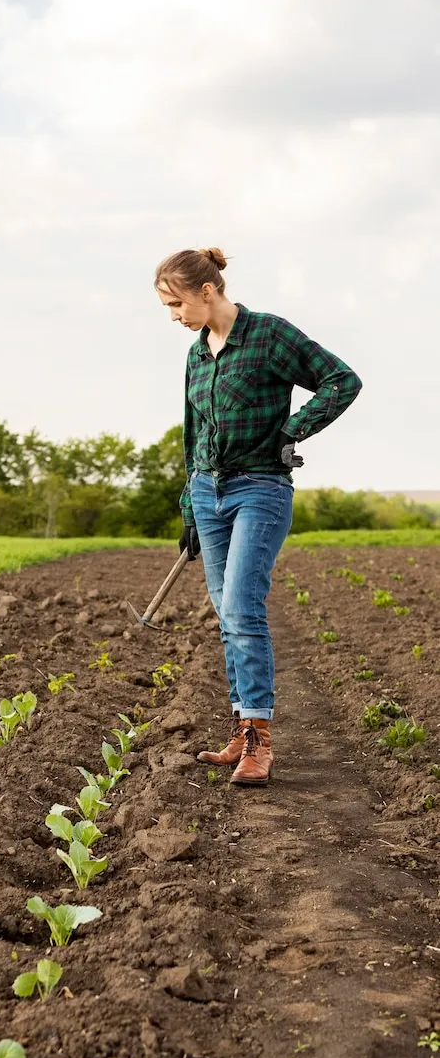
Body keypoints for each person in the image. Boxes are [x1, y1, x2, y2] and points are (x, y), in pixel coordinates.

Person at [155, 247, 362, 786]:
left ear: (207, 291)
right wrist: (189, 506)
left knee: (241, 607)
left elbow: (342, 380)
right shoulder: (197, 354)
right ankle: (242, 726)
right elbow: (194, 433)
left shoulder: (268, 334)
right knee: (226, 614)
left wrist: (292, 430)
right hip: (208, 493)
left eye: (177, 304)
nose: (173, 316)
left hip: (260, 489)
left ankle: (259, 742)